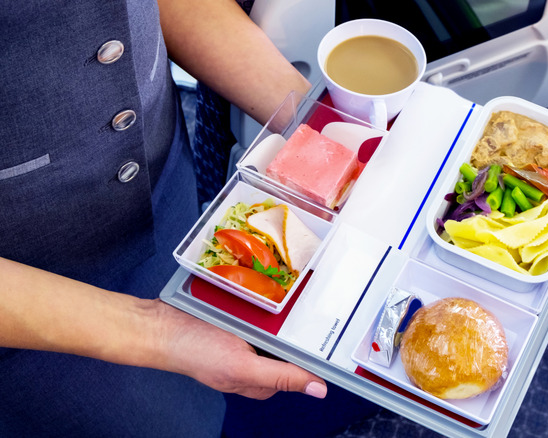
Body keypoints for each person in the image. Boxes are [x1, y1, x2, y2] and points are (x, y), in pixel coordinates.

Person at [0, 0, 328, 435]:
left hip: (162, 181)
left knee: (199, 400)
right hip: (28, 284)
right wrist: (157, 332)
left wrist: (314, 130)